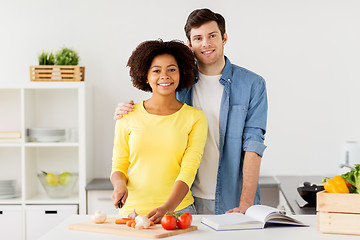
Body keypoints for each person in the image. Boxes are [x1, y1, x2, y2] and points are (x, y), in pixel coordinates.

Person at [113, 8, 267, 215]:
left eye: (212, 35)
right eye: (198, 38)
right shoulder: (178, 81)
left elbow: (253, 145)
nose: (206, 43)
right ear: (189, 44)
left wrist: (246, 204)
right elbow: (155, 113)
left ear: (224, 38)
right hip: (184, 197)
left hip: (233, 198)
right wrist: (126, 110)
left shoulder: (252, 84)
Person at [110, 39, 208, 223]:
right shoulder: (127, 115)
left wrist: (168, 208)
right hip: (132, 211)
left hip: (178, 211)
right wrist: (119, 186)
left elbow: (189, 169)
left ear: (181, 73)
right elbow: (119, 166)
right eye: (156, 71)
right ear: (145, 76)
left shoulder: (195, 118)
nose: (165, 76)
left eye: (172, 69)